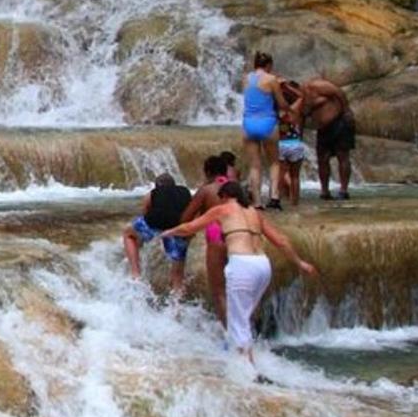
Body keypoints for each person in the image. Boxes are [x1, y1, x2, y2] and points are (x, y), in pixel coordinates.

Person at [162, 181, 318, 364]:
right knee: (244, 315)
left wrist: (168, 232)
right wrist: (300, 263)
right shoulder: (254, 213)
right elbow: (281, 241)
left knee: (238, 320)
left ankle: (248, 370)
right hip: (262, 266)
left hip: (242, 265)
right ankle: (246, 354)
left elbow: (189, 227)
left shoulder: (223, 209)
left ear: (225, 196)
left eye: (221, 198)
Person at [180, 155, 231, 323]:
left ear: (207, 172)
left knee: (219, 291)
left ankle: (229, 334)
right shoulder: (237, 189)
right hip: (239, 235)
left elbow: (186, 218)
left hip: (216, 235)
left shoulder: (207, 190)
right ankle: (246, 329)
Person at [123, 173, 193, 295]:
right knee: (177, 276)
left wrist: (144, 237)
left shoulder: (152, 193)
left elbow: (144, 214)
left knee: (128, 233)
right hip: (178, 228)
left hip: (155, 224)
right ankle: (177, 306)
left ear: (156, 186)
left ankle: (135, 273)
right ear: (174, 185)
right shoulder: (185, 192)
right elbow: (190, 212)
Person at [240, 52, 290, 210]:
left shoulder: (246, 78)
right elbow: (282, 104)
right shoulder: (271, 79)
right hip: (267, 122)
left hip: (248, 124)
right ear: (269, 65)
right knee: (274, 162)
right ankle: (274, 197)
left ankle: (257, 202)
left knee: (255, 165)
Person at [301, 76, 356, 200]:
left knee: (342, 155)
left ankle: (343, 190)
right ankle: (324, 191)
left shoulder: (316, 86)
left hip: (339, 121)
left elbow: (339, 92)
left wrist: (346, 110)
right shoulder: (302, 99)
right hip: (323, 129)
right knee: (322, 158)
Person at [276, 80, 306, 207]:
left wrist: (277, 87)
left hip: (282, 144)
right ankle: (295, 203)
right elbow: (302, 96)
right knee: (295, 176)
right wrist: (287, 86)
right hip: (296, 144)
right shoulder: (295, 110)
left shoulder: (277, 111)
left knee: (280, 175)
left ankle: (278, 199)